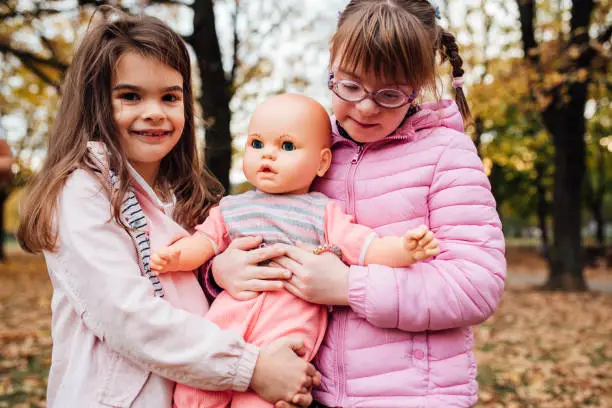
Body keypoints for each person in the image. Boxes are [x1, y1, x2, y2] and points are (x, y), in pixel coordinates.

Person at [207, 1, 506, 407]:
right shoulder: (310, 148)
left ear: (417, 85)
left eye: (389, 93)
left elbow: (475, 285)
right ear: (332, 64)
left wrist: (349, 287)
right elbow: (255, 222)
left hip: (414, 396)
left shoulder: (447, 155)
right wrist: (219, 271)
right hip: (314, 391)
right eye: (349, 86)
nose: (365, 108)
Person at [16, 11, 320, 408]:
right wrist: (252, 367)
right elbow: (126, 315)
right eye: (130, 96)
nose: (155, 112)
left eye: (170, 97)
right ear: (95, 102)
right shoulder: (83, 191)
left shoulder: (185, 196)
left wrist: (217, 274)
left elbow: (190, 293)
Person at [151, 93, 440, 408]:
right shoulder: (232, 208)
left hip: (282, 344)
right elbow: (204, 243)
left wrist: (404, 250)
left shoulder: (323, 213)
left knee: (261, 402)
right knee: (192, 396)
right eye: (257, 144)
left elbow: (366, 247)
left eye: (286, 146)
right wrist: (179, 257)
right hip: (226, 332)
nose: (268, 156)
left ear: (322, 163)